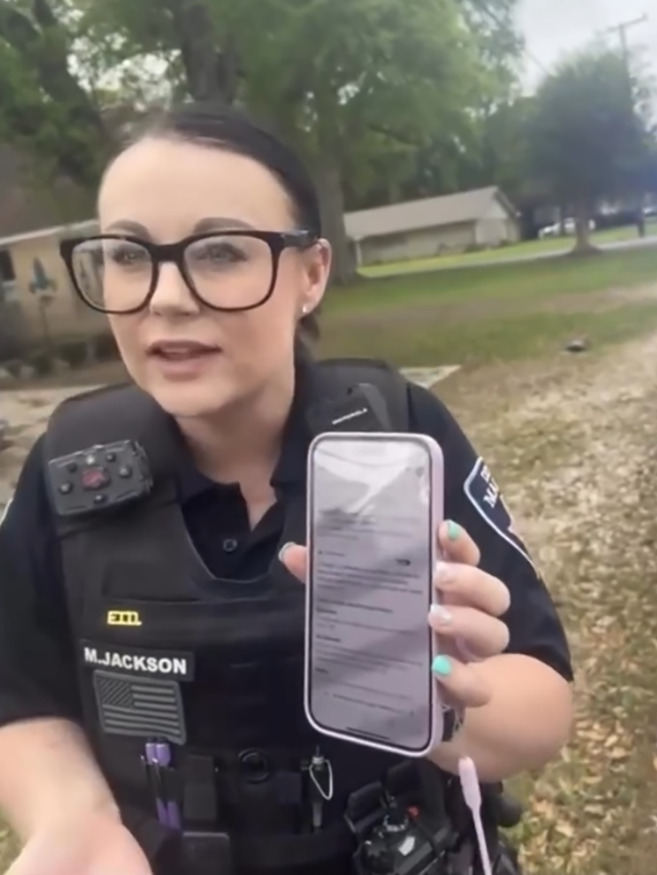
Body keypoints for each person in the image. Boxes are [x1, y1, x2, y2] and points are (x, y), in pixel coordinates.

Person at [0, 103, 573, 875]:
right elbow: (23, 694)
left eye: (223, 251)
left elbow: (544, 703)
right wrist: (76, 818)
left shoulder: (398, 436)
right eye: (129, 255)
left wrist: (438, 701)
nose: (165, 296)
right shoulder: (70, 467)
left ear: (310, 275)